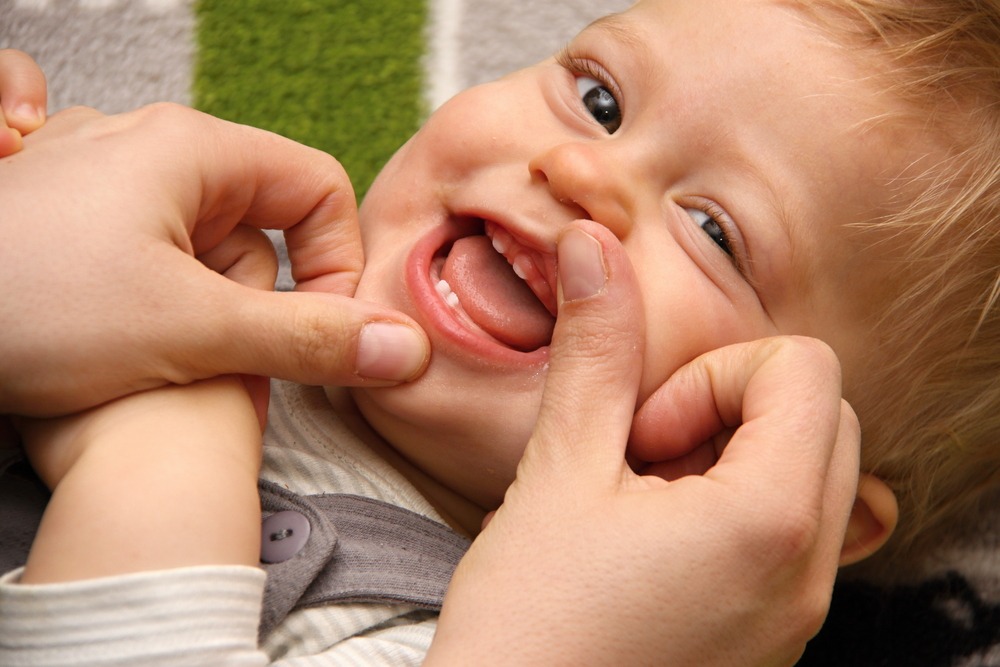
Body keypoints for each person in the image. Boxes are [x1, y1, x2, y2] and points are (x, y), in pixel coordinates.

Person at [2, 0, 999, 662]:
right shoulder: (168, 226)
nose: (584, 174)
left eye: (714, 232)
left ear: (777, 483)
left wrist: (163, 439)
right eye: (599, 99)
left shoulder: (437, 634)